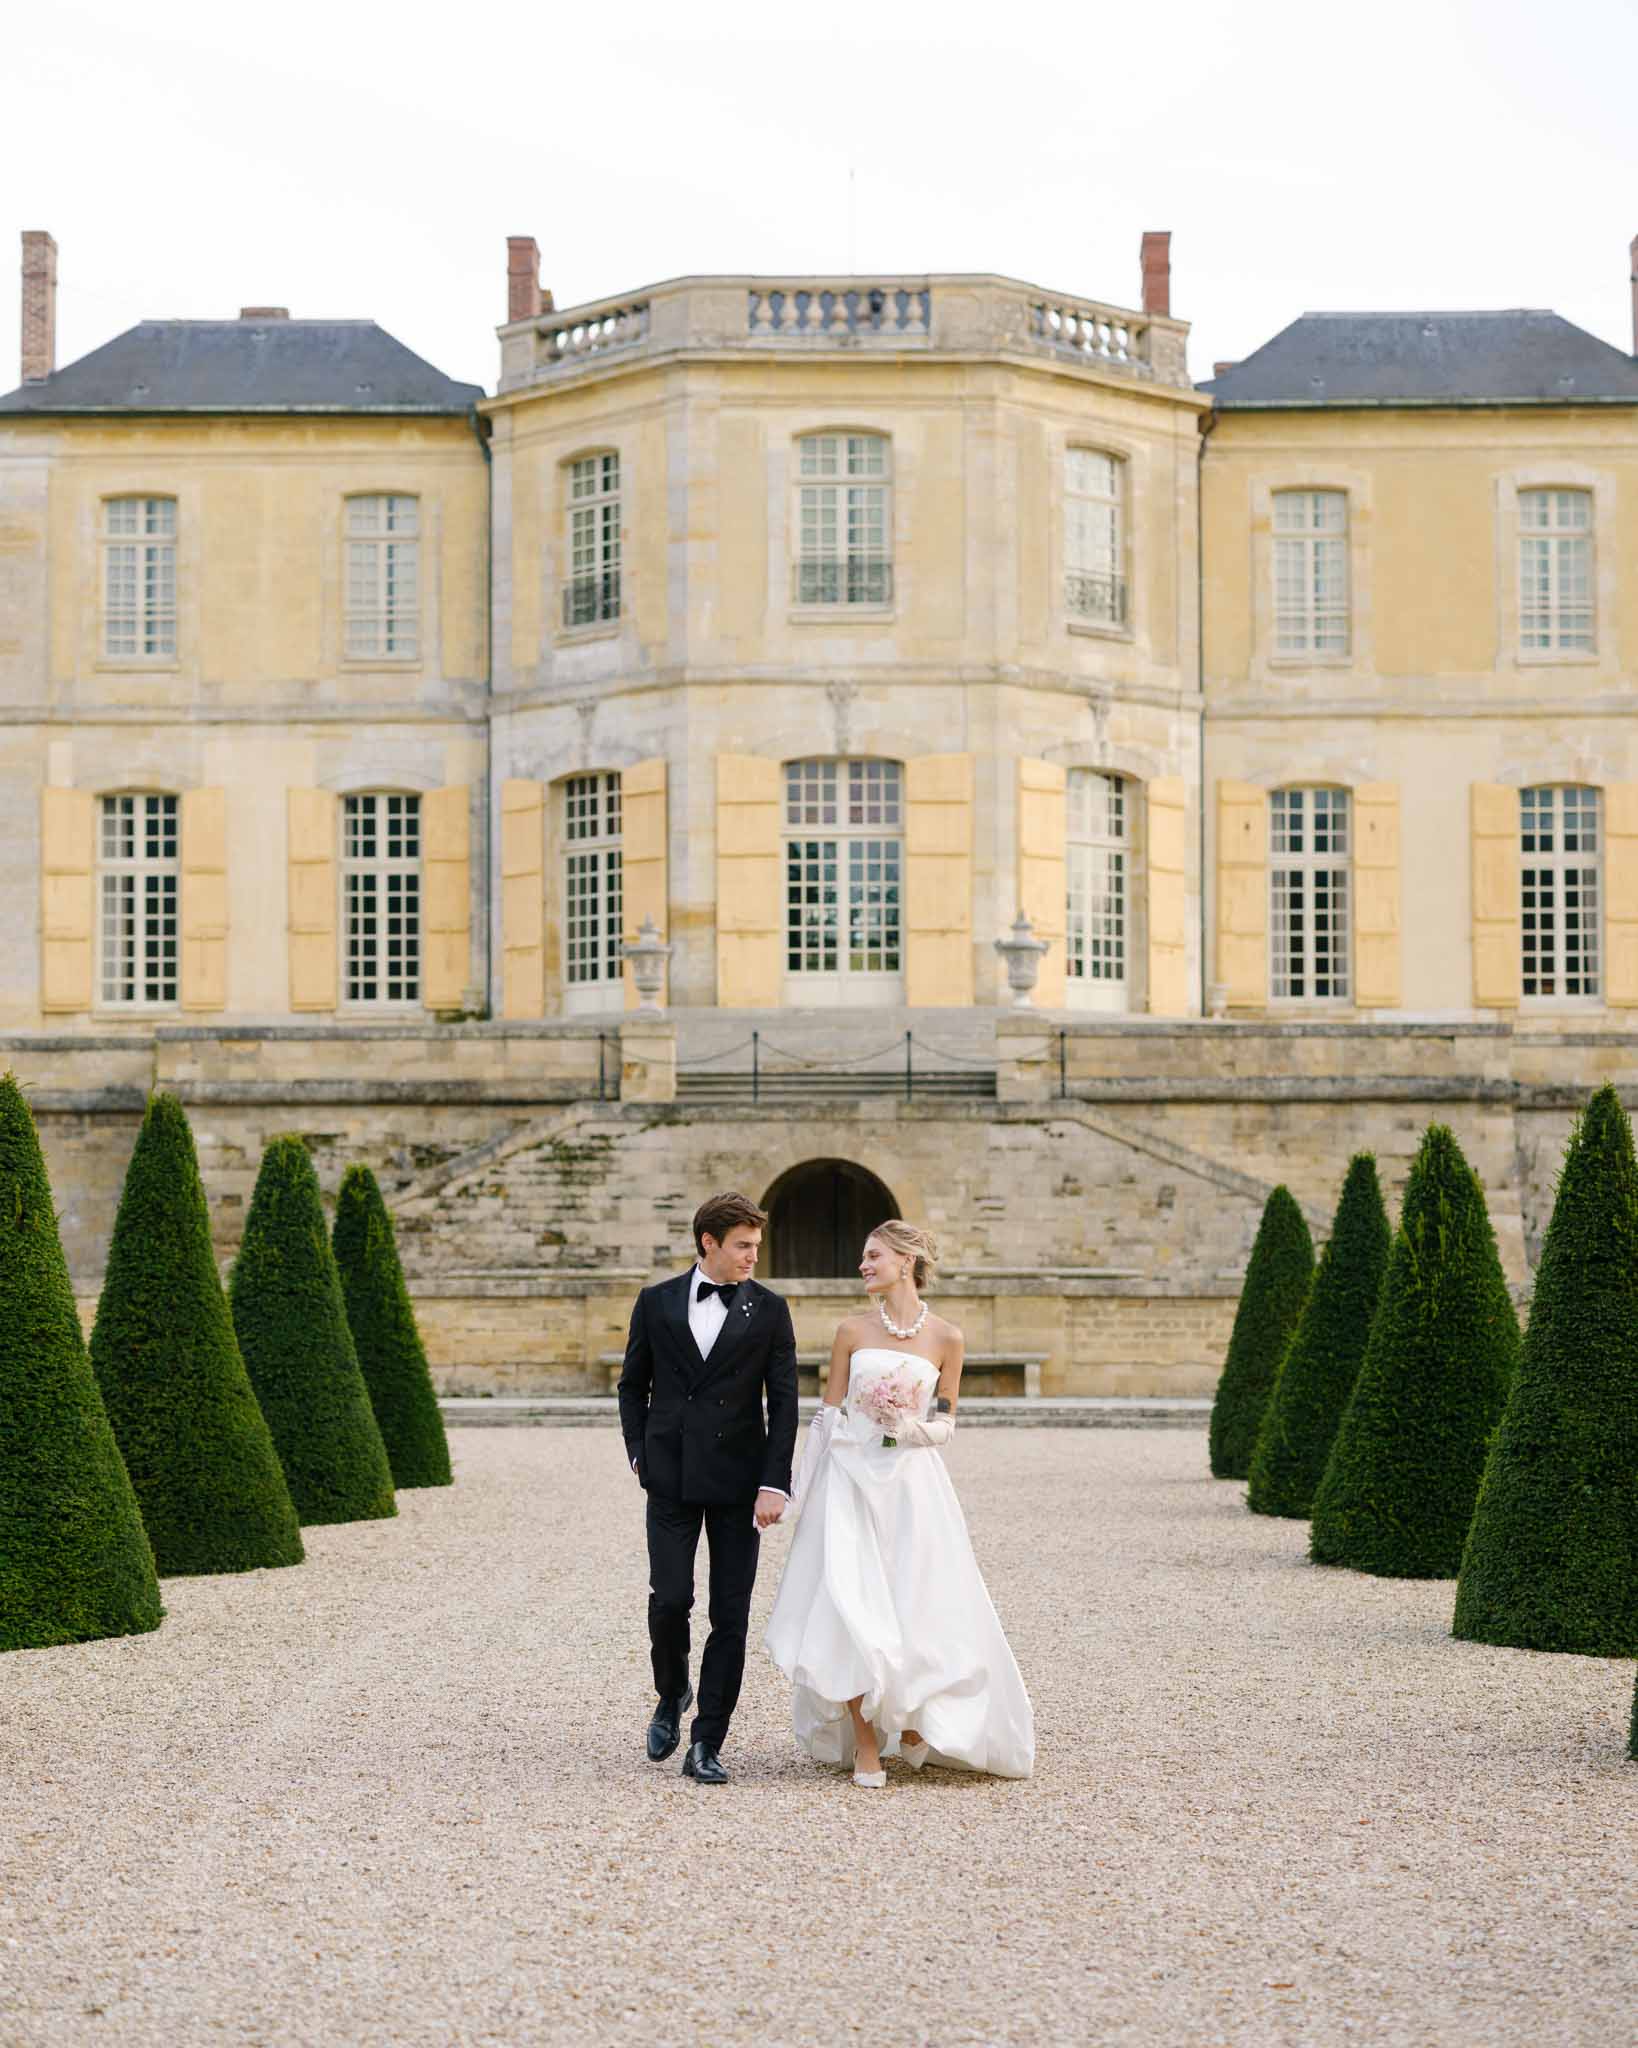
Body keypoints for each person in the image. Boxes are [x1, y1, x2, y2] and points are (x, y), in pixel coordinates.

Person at [764, 1219, 1035, 1786]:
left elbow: (947, 1423)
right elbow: (827, 1414)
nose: (863, 1266)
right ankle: (866, 1741)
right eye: (863, 1258)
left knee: (918, 1603)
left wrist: (909, 1428)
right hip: (849, 1481)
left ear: (907, 1261)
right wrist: (795, 1490)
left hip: (913, 1486)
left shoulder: (947, 1338)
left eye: (873, 1256)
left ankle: (914, 1720)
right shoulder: (850, 1331)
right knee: (849, 1603)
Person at [618, 1191, 798, 1785]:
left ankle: (707, 1741)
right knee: (669, 1598)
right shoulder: (656, 1302)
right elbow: (631, 1386)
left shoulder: (770, 1310)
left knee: (731, 1613)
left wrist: (775, 1483)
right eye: (743, 1246)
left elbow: (785, 1405)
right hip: (668, 1476)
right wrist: (639, 1455)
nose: (753, 1257)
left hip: (739, 1483)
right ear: (709, 1243)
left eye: (756, 1246)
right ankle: (672, 1692)